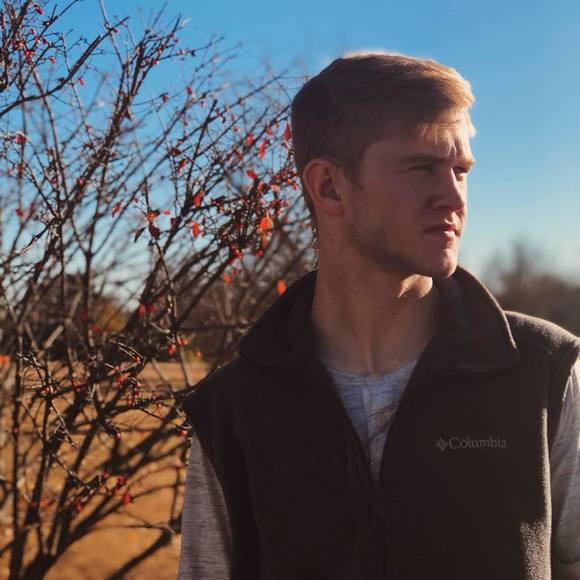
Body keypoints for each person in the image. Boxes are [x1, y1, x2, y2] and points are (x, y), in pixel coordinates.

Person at [178, 52, 580, 580]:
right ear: (329, 186)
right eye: (422, 167)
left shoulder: (543, 374)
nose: (453, 198)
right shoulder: (234, 408)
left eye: (461, 171)